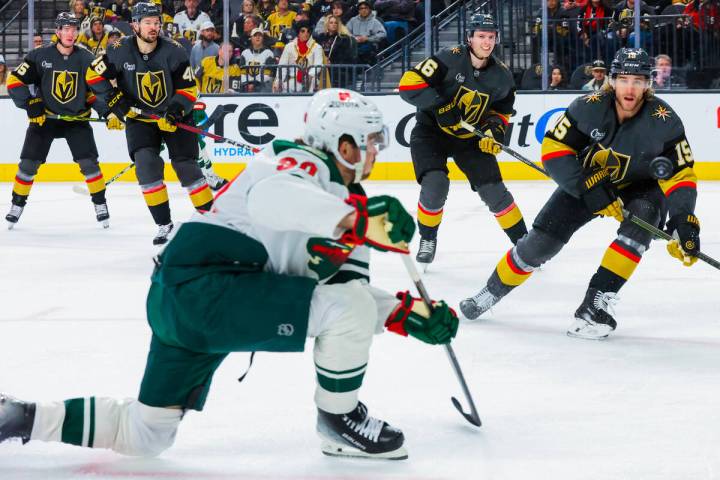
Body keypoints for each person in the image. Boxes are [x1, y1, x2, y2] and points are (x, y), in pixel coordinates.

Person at [0, 88, 459, 461]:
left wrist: (404, 312)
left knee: (147, 434)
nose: (377, 151)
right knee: (349, 308)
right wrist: (356, 221)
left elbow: (341, 293)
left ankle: (21, 417)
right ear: (344, 145)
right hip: (210, 289)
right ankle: (338, 420)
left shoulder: (340, 200)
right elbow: (273, 201)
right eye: (372, 141)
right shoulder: (302, 164)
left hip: (187, 299)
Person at [460, 48, 701, 340]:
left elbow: (681, 175)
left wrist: (684, 219)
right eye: (624, 79)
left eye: (638, 81)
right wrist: (586, 188)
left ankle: (594, 305)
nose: (630, 88)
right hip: (586, 180)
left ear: (649, 83)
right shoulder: (588, 107)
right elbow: (554, 151)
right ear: (611, 80)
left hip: (641, 187)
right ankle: (491, 291)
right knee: (538, 246)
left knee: (642, 222)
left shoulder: (665, 120)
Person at [397, 13, 527, 268]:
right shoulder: (449, 58)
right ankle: (428, 238)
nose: (486, 43)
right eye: (481, 36)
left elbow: (501, 113)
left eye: (491, 37)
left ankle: (526, 242)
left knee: (495, 193)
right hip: (431, 132)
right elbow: (408, 84)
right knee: (435, 185)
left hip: (469, 138)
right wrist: (440, 106)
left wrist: (493, 132)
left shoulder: (502, 76)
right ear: (469, 38)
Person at [85, 1, 214, 244]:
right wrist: (113, 99)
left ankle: (213, 220)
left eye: (156, 22)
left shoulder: (175, 51)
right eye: (147, 23)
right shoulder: (118, 49)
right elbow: (92, 75)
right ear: (135, 25)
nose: (153, 27)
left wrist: (175, 111)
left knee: (187, 168)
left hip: (173, 117)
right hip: (139, 119)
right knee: (146, 167)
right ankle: (164, 224)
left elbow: (189, 88)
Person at [5, 13, 114, 229]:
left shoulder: (86, 58)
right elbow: (14, 81)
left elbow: (95, 92)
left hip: (76, 120)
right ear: (57, 32)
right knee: (27, 165)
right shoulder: (39, 55)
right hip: (45, 118)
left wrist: (107, 112)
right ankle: (16, 206)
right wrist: (29, 103)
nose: (70, 33)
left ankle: (100, 204)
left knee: (89, 164)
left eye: (74, 29)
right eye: (65, 29)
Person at [273, 20, 325, 92]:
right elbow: (282, 65)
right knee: (281, 87)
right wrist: (278, 80)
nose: (306, 34)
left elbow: (318, 65)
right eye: (303, 31)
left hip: (310, 80)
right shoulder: (289, 46)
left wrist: (309, 75)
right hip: (292, 79)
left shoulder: (317, 47)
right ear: (298, 33)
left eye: (308, 31)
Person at [315, 14, 356, 88]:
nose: (333, 24)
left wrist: (332, 62)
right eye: (331, 22)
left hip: (337, 70)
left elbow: (346, 56)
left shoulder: (344, 39)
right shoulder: (321, 37)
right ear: (327, 24)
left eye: (335, 23)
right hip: (322, 68)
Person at [345, 0, 386, 65]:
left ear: (369, 9)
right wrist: (354, 38)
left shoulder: (375, 21)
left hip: (369, 43)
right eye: (361, 8)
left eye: (366, 8)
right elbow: (345, 32)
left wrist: (367, 38)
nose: (363, 10)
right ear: (358, 11)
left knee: (362, 50)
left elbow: (382, 34)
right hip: (354, 43)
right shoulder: (353, 20)